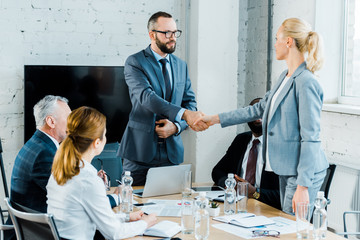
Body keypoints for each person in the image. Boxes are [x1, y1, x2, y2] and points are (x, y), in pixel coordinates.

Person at [193, 18, 329, 214]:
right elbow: (256, 110)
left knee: (293, 227)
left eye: (277, 38)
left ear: (288, 41)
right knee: (287, 225)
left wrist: (303, 187)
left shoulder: (306, 82)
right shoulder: (285, 77)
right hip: (286, 169)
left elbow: (311, 138)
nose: (275, 44)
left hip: (302, 173)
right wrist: (214, 119)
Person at [118, 11, 207, 186]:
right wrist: (184, 114)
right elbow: (147, 98)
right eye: (167, 33)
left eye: (175, 32)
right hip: (139, 153)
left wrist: (176, 126)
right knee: (134, 206)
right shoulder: (135, 62)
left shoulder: (181, 65)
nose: (172, 37)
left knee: (170, 206)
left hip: (171, 153)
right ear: (152, 35)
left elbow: (190, 103)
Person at [47, 106, 157, 239]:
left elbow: (93, 217)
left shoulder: (61, 169)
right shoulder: (88, 179)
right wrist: (145, 223)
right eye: (104, 135)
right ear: (97, 143)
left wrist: (126, 217)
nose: (106, 138)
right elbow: (114, 233)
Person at [212, 98, 281, 210]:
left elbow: (284, 194)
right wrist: (230, 184)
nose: (258, 117)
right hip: (237, 204)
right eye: (254, 113)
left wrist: (255, 192)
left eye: (262, 113)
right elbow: (217, 171)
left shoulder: (279, 146)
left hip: (266, 208)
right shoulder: (241, 140)